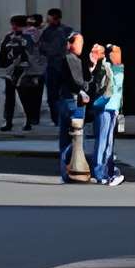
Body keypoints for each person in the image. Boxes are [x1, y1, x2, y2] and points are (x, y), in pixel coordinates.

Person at [88, 41, 125, 185]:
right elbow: (101, 82)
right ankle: (99, 172)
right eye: (116, 52)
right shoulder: (105, 66)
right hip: (104, 107)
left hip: (114, 109)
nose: (119, 55)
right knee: (102, 141)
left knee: (109, 142)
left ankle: (108, 169)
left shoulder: (119, 68)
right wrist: (96, 58)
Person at [56, 30, 90, 180]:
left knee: (67, 137)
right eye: (79, 43)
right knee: (74, 136)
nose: (81, 46)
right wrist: (86, 85)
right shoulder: (71, 59)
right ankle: (71, 169)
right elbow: (77, 82)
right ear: (70, 44)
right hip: (72, 101)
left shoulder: (67, 58)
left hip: (65, 99)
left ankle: (67, 170)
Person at [0, 15, 32, 132]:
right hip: (10, 71)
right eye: (13, 24)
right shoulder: (8, 37)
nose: (14, 27)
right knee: (9, 98)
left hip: (23, 71)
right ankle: (8, 121)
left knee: (24, 97)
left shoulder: (29, 38)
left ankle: (28, 120)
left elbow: (32, 53)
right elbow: (3, 52)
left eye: (17, 24)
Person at [19, 13, 47, 131]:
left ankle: (30, 117)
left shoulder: (24, 34)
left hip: (30, 68)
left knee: (28, 96)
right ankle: (33, 117)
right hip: (37, 68)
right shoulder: (42, 34)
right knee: (36, 95)